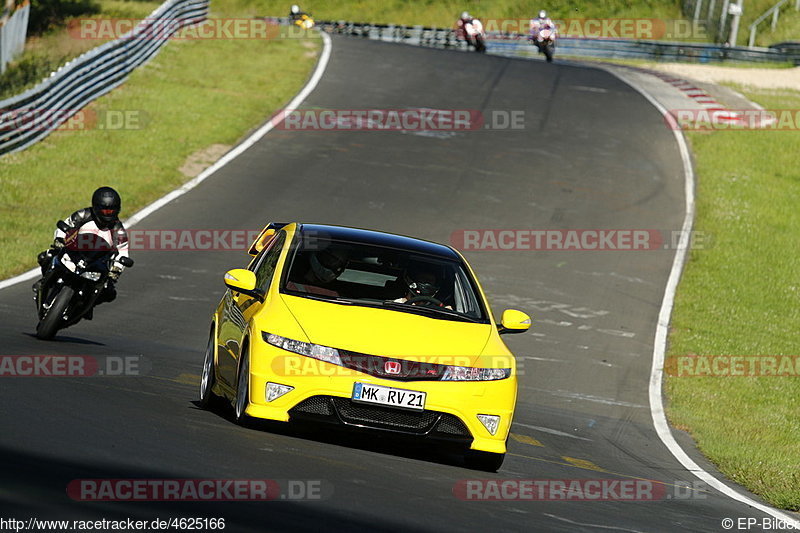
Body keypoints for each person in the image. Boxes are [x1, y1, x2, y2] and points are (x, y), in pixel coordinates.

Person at [34, 186, 130, 307]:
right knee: (46, 256)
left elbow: (123, 252)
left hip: (97, 261)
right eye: (105, 211)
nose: (108, 213)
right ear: (96, 207)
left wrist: (116, 270)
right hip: (75, 251)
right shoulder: (83, 214)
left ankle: (88, 305)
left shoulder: (118, 229)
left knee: (109, 293)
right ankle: (44, 281)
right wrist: (59, 240)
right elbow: (65, 225)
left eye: (111, 211)